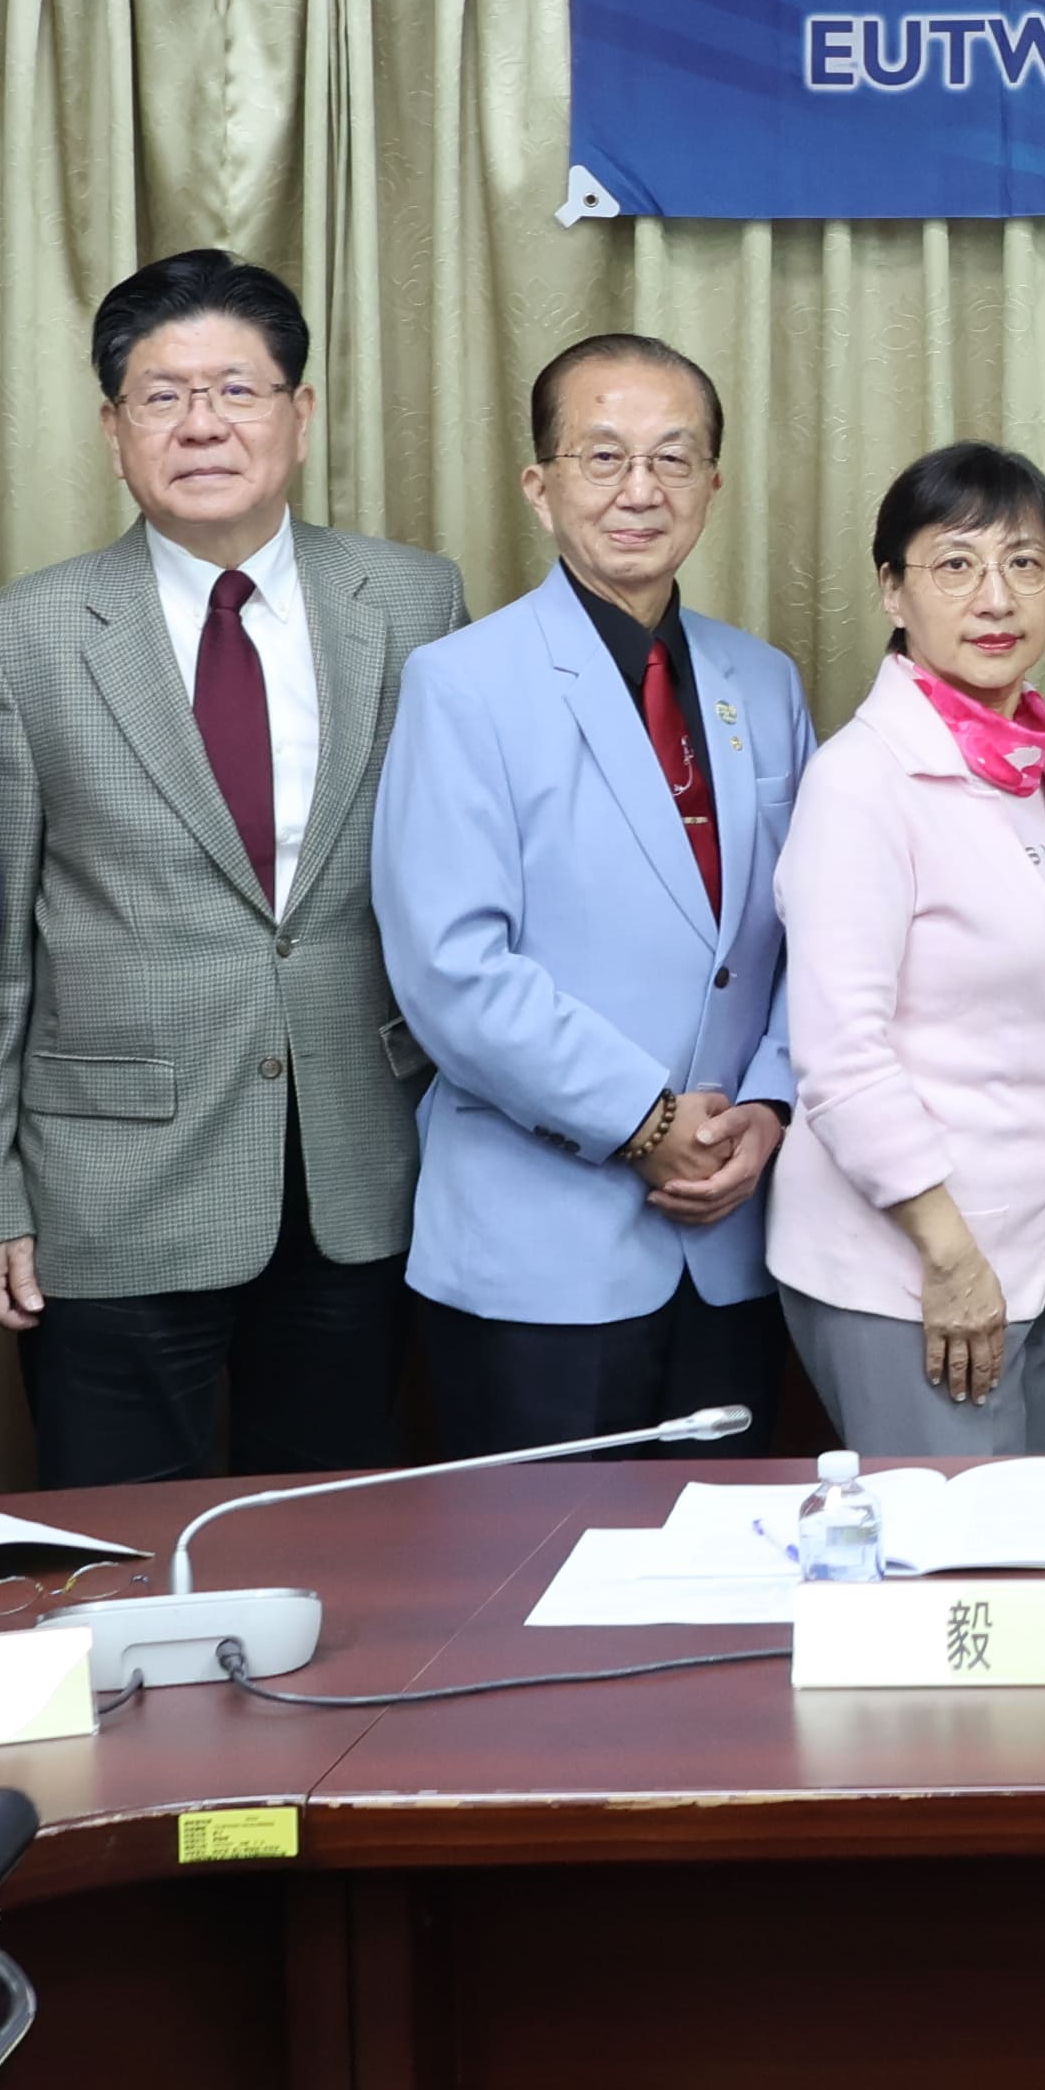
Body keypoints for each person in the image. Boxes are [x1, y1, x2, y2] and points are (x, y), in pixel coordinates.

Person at [0, 253, 462, 1490]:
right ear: (114, 430)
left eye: (237, 389)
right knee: (115, 1544)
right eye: (163, 395)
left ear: (300, 411)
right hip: (109, 1187)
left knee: (336, 1536)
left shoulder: (414, 599)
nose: (202, 424)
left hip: (358, 1166)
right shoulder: (24, 637)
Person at [372, 336, 804, 1458]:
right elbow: (452, 970)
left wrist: (770, 1105)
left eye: (673, 458)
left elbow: (813, 932)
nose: (639, 489)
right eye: (603, 456)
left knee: (730, 1556)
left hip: (736, 1232)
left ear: (713, 484)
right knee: (541, 1558)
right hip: (543, 1249)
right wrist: (645, 1123)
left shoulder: (764, 680)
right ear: (540, 484)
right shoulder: (463, 682)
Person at [770, 446, 1045, 1460]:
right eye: (955, 564)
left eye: (1026, 563)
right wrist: (951, 1256)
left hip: (1037, 1257)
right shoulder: (861, 782)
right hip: (911, 1269)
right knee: (950, 1551)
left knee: (1036, 1545)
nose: (995, 598)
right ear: (892, 588)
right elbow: (841, 1057)